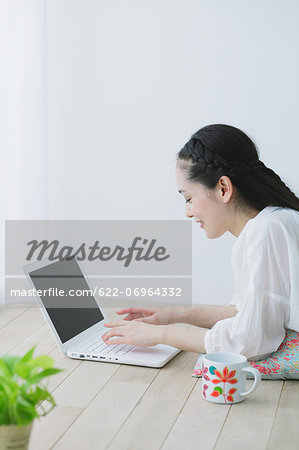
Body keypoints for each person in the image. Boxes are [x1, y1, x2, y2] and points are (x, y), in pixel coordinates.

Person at [102, 124, 299, 360]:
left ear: (223, 188)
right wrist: (174, 314)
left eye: (188, 198)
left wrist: (161, 334)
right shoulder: (267, 226)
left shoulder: (269, 229)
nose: (187, 212)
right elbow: (245, 314)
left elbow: (248, 342)